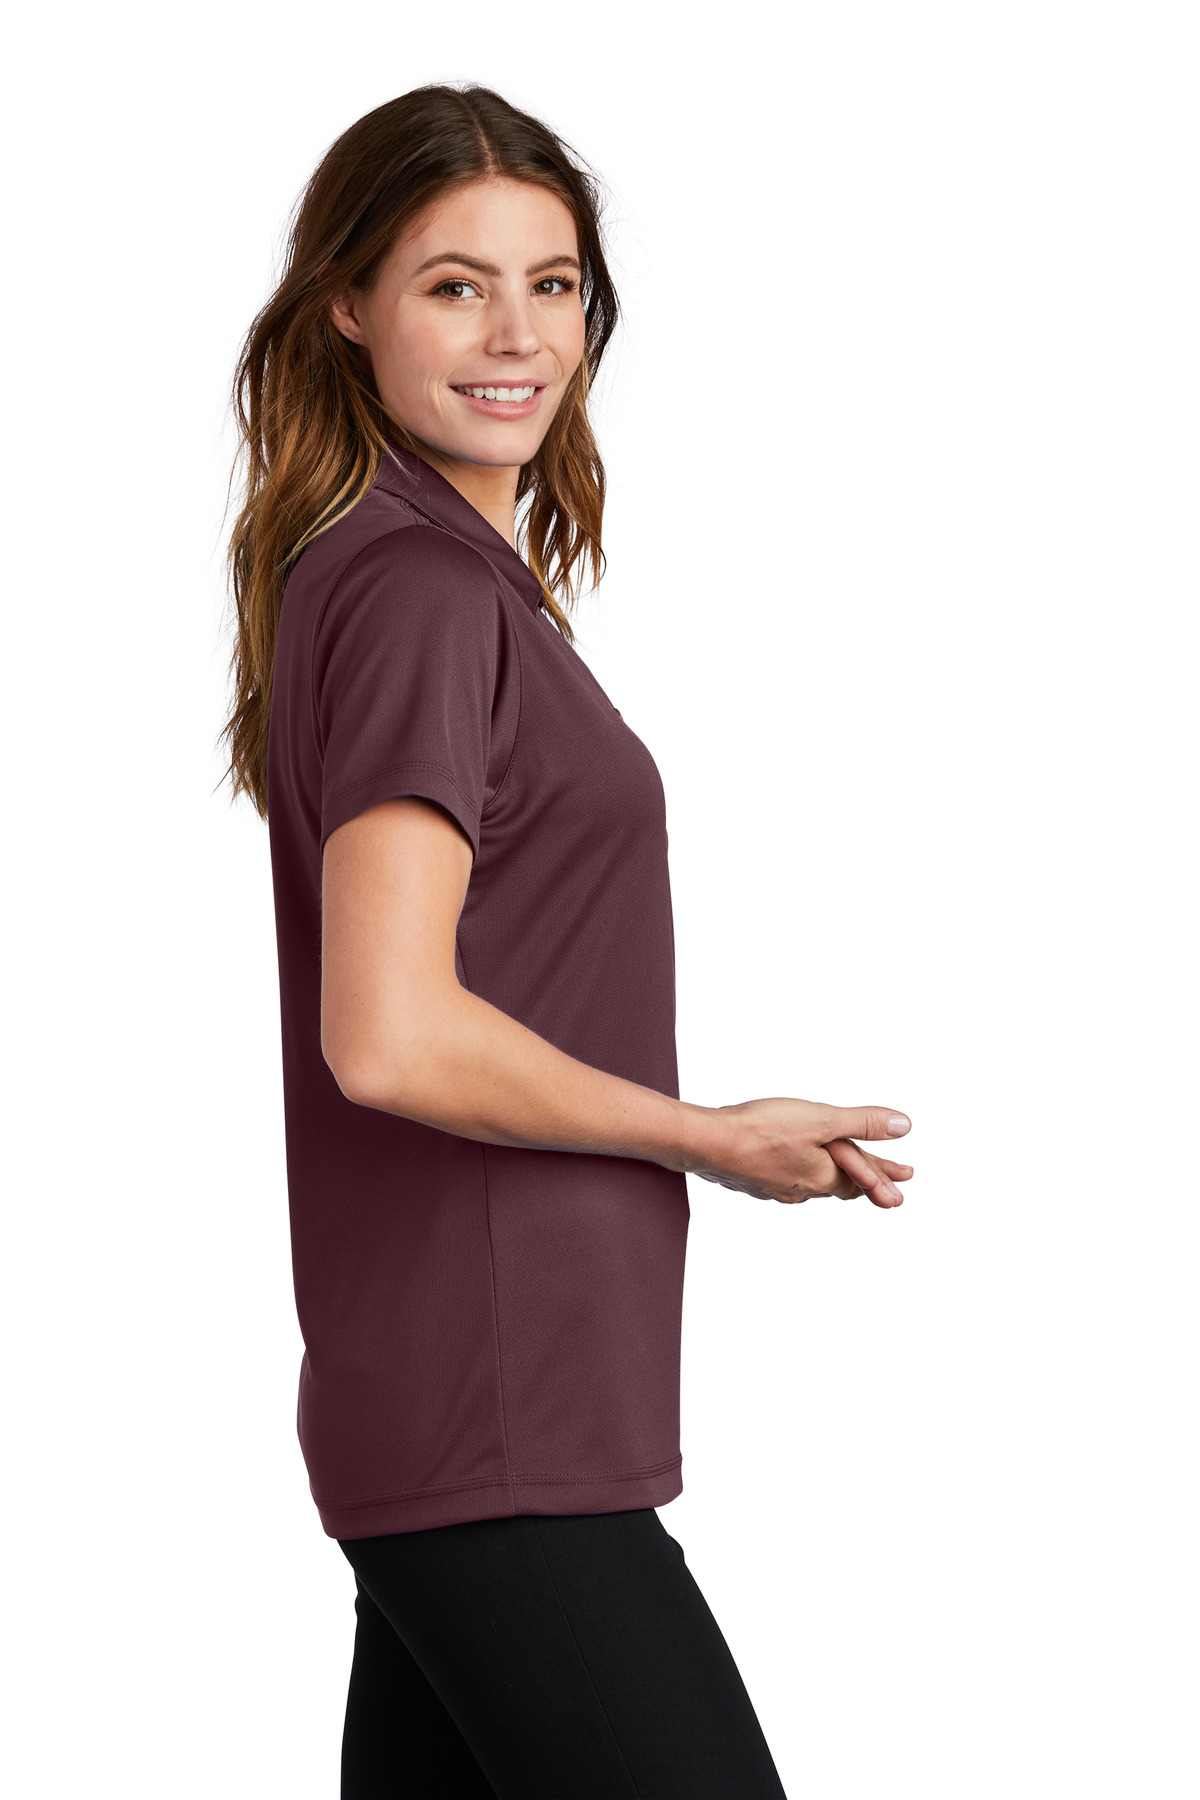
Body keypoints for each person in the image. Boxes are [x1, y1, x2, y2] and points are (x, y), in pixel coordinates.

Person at [220, 82, 914, 1800]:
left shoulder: (412, 573)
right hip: (496, 1400)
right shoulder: (417, 592)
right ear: (348, 307)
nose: (518, 334)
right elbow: (389, 1032)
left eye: (553, 284)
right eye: (453, 285)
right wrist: (707, 1135)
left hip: (485, 1394)